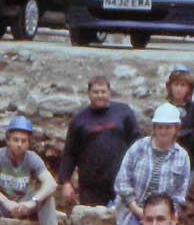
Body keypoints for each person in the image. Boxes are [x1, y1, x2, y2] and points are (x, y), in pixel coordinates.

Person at [113, 103, 191, 225]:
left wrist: (167, 219)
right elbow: (122, 181)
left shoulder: (182, 157)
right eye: (160, 127)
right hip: (133, 212)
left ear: (176, 129)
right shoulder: (138, 148)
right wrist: (138, 210)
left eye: (168, 127)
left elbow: (179, 194)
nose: (163, 131)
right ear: (154, 128)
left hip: (163, 217)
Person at [57, 76, 141, 207]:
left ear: (109, 92)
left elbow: (137, 143)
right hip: (91, 184)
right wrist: (66, 182)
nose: (100, 95)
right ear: (89, 94)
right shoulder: (79, 120)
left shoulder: (124, 112)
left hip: (122, 180)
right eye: (96, 92)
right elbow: (70, 153)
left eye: (103, 92)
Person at [166, 65, 194, 189]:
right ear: (170, 86)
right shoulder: (164, 109)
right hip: (165, 162)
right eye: (176, 84)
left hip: (187, 163)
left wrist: (182, 137)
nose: (178, 89)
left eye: (183, 85)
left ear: (189, 89)